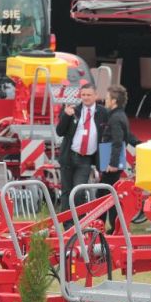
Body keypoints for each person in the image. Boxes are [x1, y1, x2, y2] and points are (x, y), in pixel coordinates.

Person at [56, 84, 108, 214]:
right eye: (83, 95)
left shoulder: (103, 112)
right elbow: (59, 132)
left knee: (79, 191)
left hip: (85, 159)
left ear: (95, 96)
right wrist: (66, 116)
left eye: (89, 95)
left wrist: (106, 161)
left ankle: (79, 221)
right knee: (67, 191)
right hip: (69, 156)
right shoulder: (73, 110)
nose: (85, 98)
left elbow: (108, 136)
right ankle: (68, 224)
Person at [98, 84, 130, 232]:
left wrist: (113, 163)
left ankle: (107, 227)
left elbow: (118, 141)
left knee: (106, 196)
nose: (105, 100)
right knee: (107, 194)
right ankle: (109, 226)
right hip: (110, 157)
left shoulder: (115, 118)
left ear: (114, 101)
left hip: (111, 160)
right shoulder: (119, 115)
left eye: (108, 98)